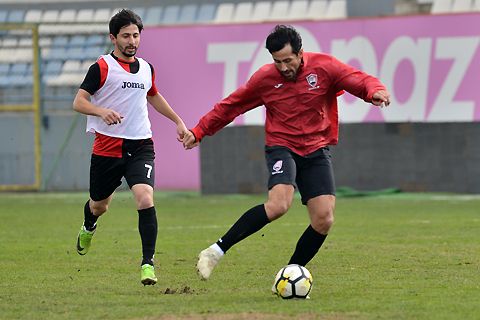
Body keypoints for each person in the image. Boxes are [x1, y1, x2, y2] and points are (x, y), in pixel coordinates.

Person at [183, 25, 391, 287]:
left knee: (324, 219)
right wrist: (200, 130)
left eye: (287, 60)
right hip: (282, 146)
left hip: (316, 149)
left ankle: (291, 274)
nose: (283, 67)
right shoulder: (264, 79)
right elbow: (231, 106)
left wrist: (374, 90)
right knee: (280, 204)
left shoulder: (324, 67)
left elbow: (357, 78)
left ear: (300, 53)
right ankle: (215, 251)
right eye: (277, 61)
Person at [73, 9, 188, 286]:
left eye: (136, 35)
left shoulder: (147, 68)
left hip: (141, 146)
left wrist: (178, 121)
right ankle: (89, 225)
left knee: (145, 199)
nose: (132, 41)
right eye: (126, 36)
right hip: (107, 148)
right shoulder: (101, 67)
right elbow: (78, 102)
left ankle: (147, 264)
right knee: (99, 206)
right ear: (113, 38)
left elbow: (154, 96)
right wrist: (101, 111)